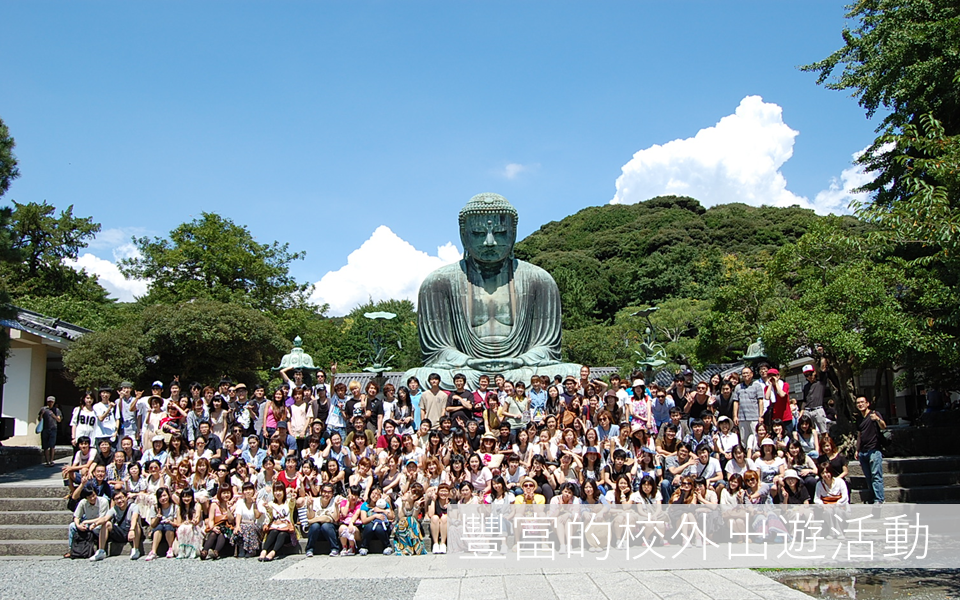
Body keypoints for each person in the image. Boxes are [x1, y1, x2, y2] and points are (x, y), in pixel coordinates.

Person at [66, 483, 110, 559]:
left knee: (99, 528)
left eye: (93, 495)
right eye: (89, 497)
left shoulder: (103, 501)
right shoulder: (83, 502)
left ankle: (100, 549)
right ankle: (71, 549)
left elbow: (103, 518)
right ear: (86, 498)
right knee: (72, 526)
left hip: (98, 524)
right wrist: (78, 525)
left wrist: (87, 522)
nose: (92, 498)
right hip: (88, 524)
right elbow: (76, 516)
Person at [855, 395, 886, 504]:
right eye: (858, 402)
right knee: (868, 477)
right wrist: (857, 449)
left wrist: (877, 419)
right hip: (863, 451)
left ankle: (879, 499)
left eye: (862, 402)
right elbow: (859, 435)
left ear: (867, 403)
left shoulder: (874, 414)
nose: (860, 404)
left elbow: (883, 426)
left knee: (876, 475)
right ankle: (873, 497)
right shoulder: (859, 419)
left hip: (874, 450)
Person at [305, 483, 341, 557]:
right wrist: (310, 506)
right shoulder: (315, 501)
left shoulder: (335, 501)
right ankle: (310, 549)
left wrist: (336, 507)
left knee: (326, 525)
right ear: (321, 492)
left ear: (332, 494)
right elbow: (310, 517)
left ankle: (335, 548)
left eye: (329, 492)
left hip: (329, 530)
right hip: (316, 530)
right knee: (315, 526)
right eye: (324, 492)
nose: (326, 494)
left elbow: (334, 519)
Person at [38, 396, 62, 466]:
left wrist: (53, 416)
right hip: (45, 429)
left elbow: (59, 420)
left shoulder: (56, 410)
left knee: (52, 445)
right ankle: (47, 461)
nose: (50, 403)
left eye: (51, 402)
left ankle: (51, 460)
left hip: (53, 428)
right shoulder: (43, 409)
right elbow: (39, 419)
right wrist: (42, 414)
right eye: (49, 402)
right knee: (45, 446)